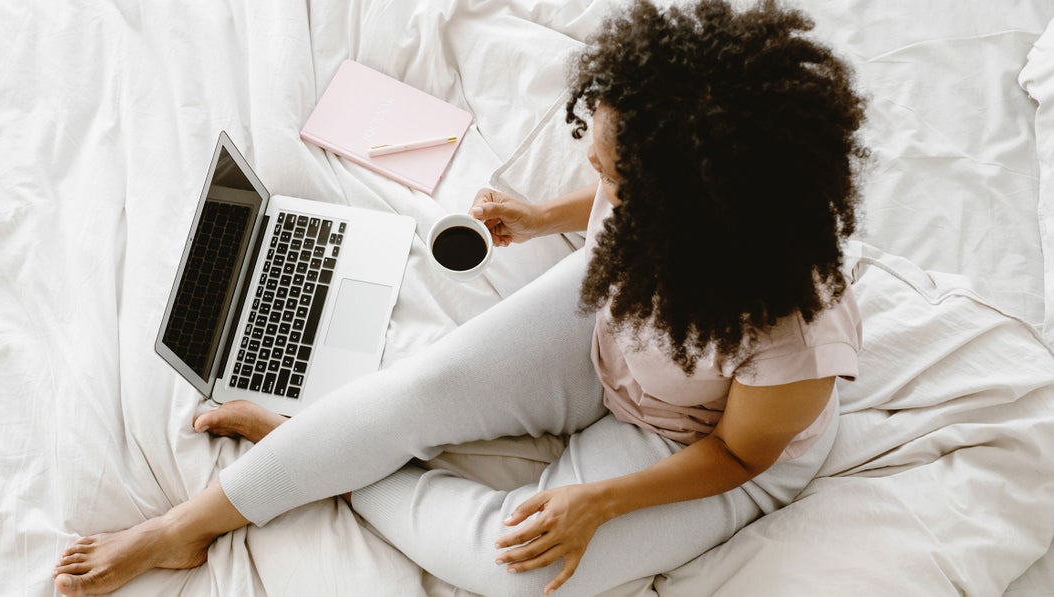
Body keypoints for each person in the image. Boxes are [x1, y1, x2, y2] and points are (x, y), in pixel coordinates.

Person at [51, 0, 866, 594]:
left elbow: (737, 454)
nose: (597, 174)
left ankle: (317, 455)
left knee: (520, 572)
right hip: (614, 329)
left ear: (691, 205)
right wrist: (545, 215)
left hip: (700, 441)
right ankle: (180, 532)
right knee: (414, 392)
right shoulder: (660, 185)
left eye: (613, 171)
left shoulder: (795, 332)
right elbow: (613, 202)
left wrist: (595, 499)